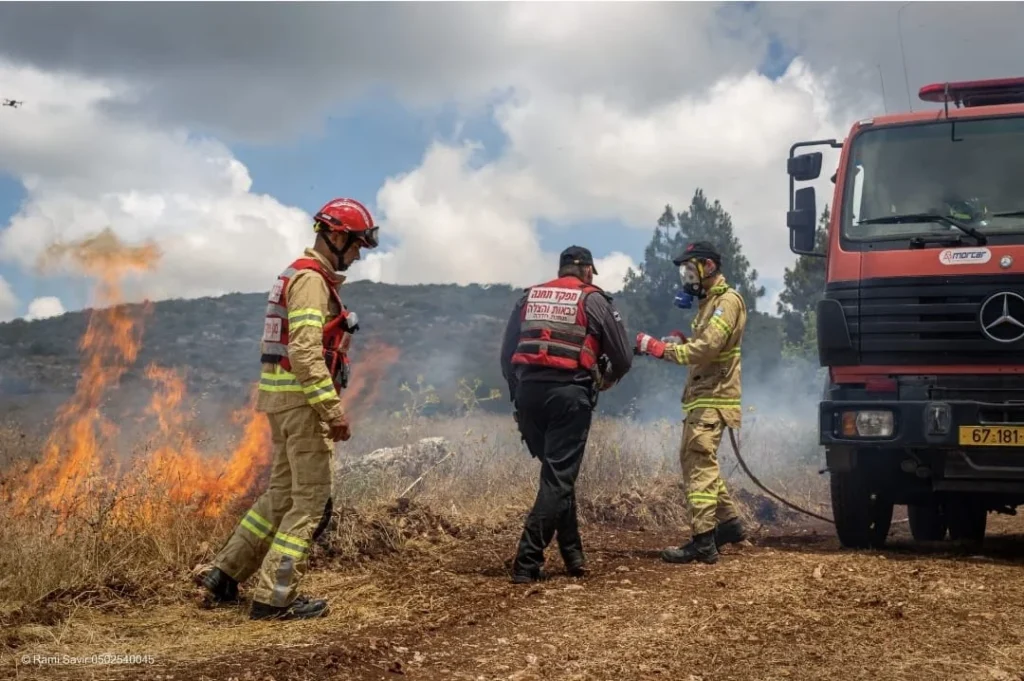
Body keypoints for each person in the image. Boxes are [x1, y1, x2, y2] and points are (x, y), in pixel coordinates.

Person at [198, 197, 379, 620]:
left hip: (281, 401)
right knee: (310, 503)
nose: (356, 254)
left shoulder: (296, 275)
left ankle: (225, 574)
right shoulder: (312, 281)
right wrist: (331, 410)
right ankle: (275, 598)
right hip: (302, 404)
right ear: (335, 235)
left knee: (281, 495)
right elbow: (304, 352)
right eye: (354, 245)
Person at [500, 245, 633, 583]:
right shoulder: (594, 299)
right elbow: (623, 356)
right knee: (559, 478)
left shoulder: (529, 297)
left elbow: (506, 355)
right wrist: (609, 380)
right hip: (569, 395)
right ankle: (527, 561)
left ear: (561, 269)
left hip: (529, 395)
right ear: (588, 270)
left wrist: (518, 397)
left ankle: (574, 554)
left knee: (557, 475)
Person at [633, 241, 748, 565]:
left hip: (713, 397)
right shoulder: (709, 303)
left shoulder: (727, 302)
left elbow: (706, 350)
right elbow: (701, 345)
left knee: (699, 464)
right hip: (704, 396)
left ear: (708, 267)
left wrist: (660, 349)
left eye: (689, 268)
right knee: (696, 461)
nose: (685, 276)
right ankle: (729, 525)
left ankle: (703, 542)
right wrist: (681, 342)